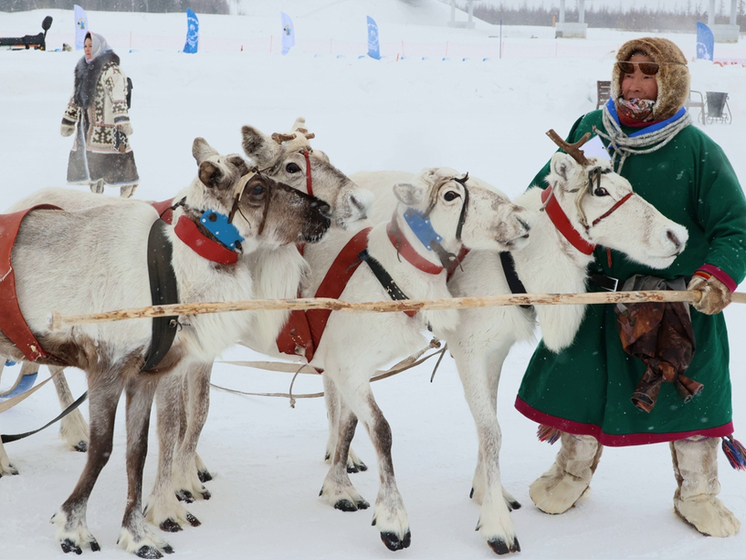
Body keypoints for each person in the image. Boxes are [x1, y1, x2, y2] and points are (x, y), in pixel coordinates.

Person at [515, 37, 746, 537]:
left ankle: (698, 491)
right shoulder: (592, 133)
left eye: (649, 74)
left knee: (691, 396)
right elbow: (548, 191)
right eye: (628, 72)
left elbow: (735, 226)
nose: (635, 84)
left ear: (670, 84)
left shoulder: (698, 151)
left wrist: (717, 276)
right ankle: (571, 471)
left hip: (675, 301)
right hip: (597, 293)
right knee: (583, 383)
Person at [60, 31, 138, 197]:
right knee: (93, 164)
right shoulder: (83, 70)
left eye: (91, 46)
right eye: (85, 46)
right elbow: (76, 97)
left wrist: (122, 121)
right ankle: (96, 196)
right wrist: (69, 119)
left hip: (111, 127)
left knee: (122, 162)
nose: (87, 49)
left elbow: (118, 96)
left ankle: (126, 196)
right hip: (88, 128)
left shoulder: (112, 70)